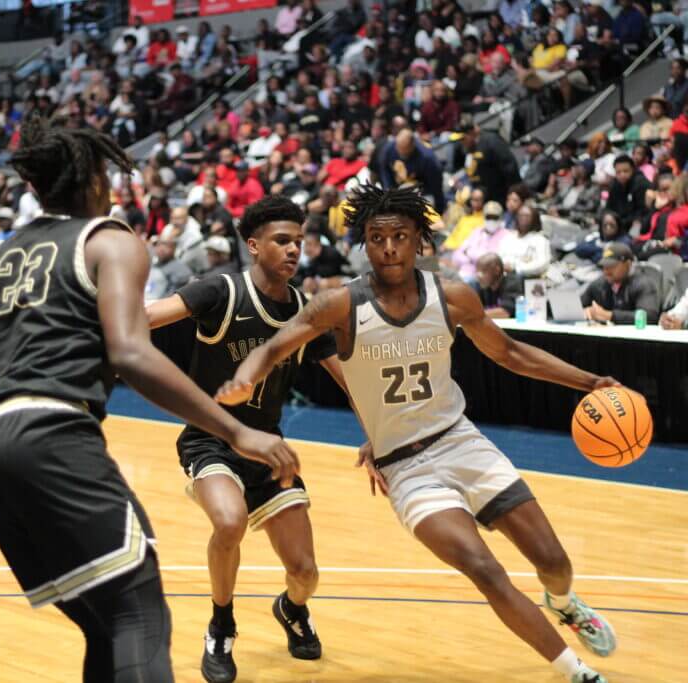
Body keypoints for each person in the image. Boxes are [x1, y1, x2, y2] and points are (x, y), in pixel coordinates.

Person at [0, 117, 299, 683]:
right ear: (94, 179)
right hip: (51, 434)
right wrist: (236, 431)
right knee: (140, 615)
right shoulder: (110, 240)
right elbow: (131, 354)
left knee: (105, 623)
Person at [216, 184, 618, 683]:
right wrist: (244, 378)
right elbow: (275, 346)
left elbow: (510, 353)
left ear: (417, 241)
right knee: (483, 567)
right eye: (377, 237)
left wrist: (590, 382)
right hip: (405, 468)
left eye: (400, 236)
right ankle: (575, 671)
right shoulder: (339, 305)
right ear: (364, 242)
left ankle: (563, 602)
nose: (388, 247)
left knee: (554, 561)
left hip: (461, 441)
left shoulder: (450, 296)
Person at [146, 196, 347, 683]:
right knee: (229, 522)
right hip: (210, 439)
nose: (294, 250)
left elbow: (343, 375)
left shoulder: (306, 310)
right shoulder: (220, 290)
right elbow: (151, 315)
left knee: (306, 573)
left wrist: (380, 435)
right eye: (282, 241)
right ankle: (221, 624)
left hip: (269, 447)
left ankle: (292, 610)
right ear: (254, 246)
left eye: (299, 241)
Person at [580, 242, 660, 324]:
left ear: (628, 264)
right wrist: (585, 312)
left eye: (611, 266)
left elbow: (650, 316)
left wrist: (610, 316)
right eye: (604, 266)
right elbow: (579, 305)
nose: (606, 271)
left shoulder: (644, 284)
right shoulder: (599, 284)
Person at [473, 252, 523, 317]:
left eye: (483, 271)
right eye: (477, 272)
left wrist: (473, 315)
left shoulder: (512, 282)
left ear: (497, 270)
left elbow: (505, 312)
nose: (479, 276)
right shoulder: (482, 285)